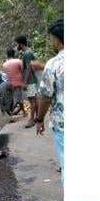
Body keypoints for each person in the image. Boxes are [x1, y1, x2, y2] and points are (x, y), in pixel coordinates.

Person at [36, 19, 64, 182]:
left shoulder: (53, 64)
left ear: (57, 40)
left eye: (51, 39)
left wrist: (40, 120)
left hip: (63, 123)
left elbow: (46, 96)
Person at [15, 35, 39, 128]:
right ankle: (36, 117)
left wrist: (25, 82)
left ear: (21, 44)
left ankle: (31, 119)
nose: (17, 46)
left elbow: (29, 68)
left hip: (30, 80)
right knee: (34, 99)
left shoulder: (27, 53)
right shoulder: (27, 52)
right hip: (31, 79)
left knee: (32, 100)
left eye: (17, 44)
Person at [2, 47, 27, 118]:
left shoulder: (4, 64)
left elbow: (5, 75)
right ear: (14, 54)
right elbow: (23, 71)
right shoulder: (18, 61)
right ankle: (10, 115)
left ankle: (24, 112)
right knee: (16, 100)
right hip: (18, 83)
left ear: (7, 55)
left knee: (19, 98)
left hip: (9, 84)